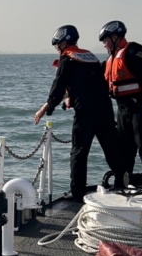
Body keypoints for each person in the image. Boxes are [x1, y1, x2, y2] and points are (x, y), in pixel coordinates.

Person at [35, 24, 122, 202]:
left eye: (58, 46)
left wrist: (47, 108)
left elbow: (58, 87)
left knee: (79, 153)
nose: (57, 49)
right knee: (112, 149)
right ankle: (122, 183)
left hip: (86, 113)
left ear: (63, 44)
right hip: (105, 109)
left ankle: (77, 193)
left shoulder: (68, 60)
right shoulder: (90, 57)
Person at [99, 20, 142, 181]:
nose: (104, 44)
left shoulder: (132, 52)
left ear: (115, 37)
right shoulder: (111, 59)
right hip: (123, 111)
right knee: (124, 151)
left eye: (106, 40)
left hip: (140, 109)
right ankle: (124, 185)